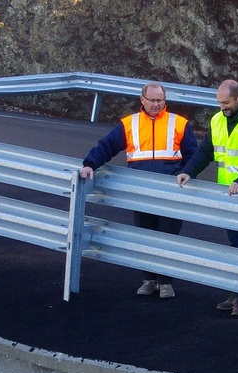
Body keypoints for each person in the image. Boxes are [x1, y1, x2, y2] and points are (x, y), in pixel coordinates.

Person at [79, 81, 198, 298]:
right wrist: (89, 164)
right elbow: (106, 147)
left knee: (168, 237)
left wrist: (186, 173)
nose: (156, 104)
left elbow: (194, 155)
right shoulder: (129, 124)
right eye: (151, 100)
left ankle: (166, 283)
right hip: (140, 192)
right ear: (142, 100)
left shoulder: (178, 123)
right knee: (143, 235)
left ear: (165, 100)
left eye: (159, 100)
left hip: (170, 192)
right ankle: (148, 280)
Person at [177, 78, 238, 316]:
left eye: (227, 102)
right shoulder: (217, 119)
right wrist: (188, 171)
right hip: (228, 194)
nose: (223, 107)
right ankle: (236, 291)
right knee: (234, 243)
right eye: (220, 103)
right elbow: (206, 151)